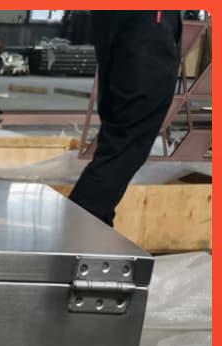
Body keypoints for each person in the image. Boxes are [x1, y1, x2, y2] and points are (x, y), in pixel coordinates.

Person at [70, 11, 183, 226]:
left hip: (118, 21)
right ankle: (72, 234)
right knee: (124, 148)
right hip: (148, 24)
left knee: (115, 142)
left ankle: (96, 233)